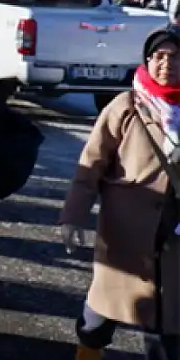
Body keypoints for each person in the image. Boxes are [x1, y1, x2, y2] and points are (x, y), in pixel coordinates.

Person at [61, 26, 180, 360]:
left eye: (175, 56)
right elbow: (90, 167)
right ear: (146, 60)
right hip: (124, 235)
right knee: (97, 320)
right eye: (159, 56)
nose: (166, 64)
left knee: (165, 330)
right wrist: (73, 217)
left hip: (173, 240)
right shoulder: (126, 106)